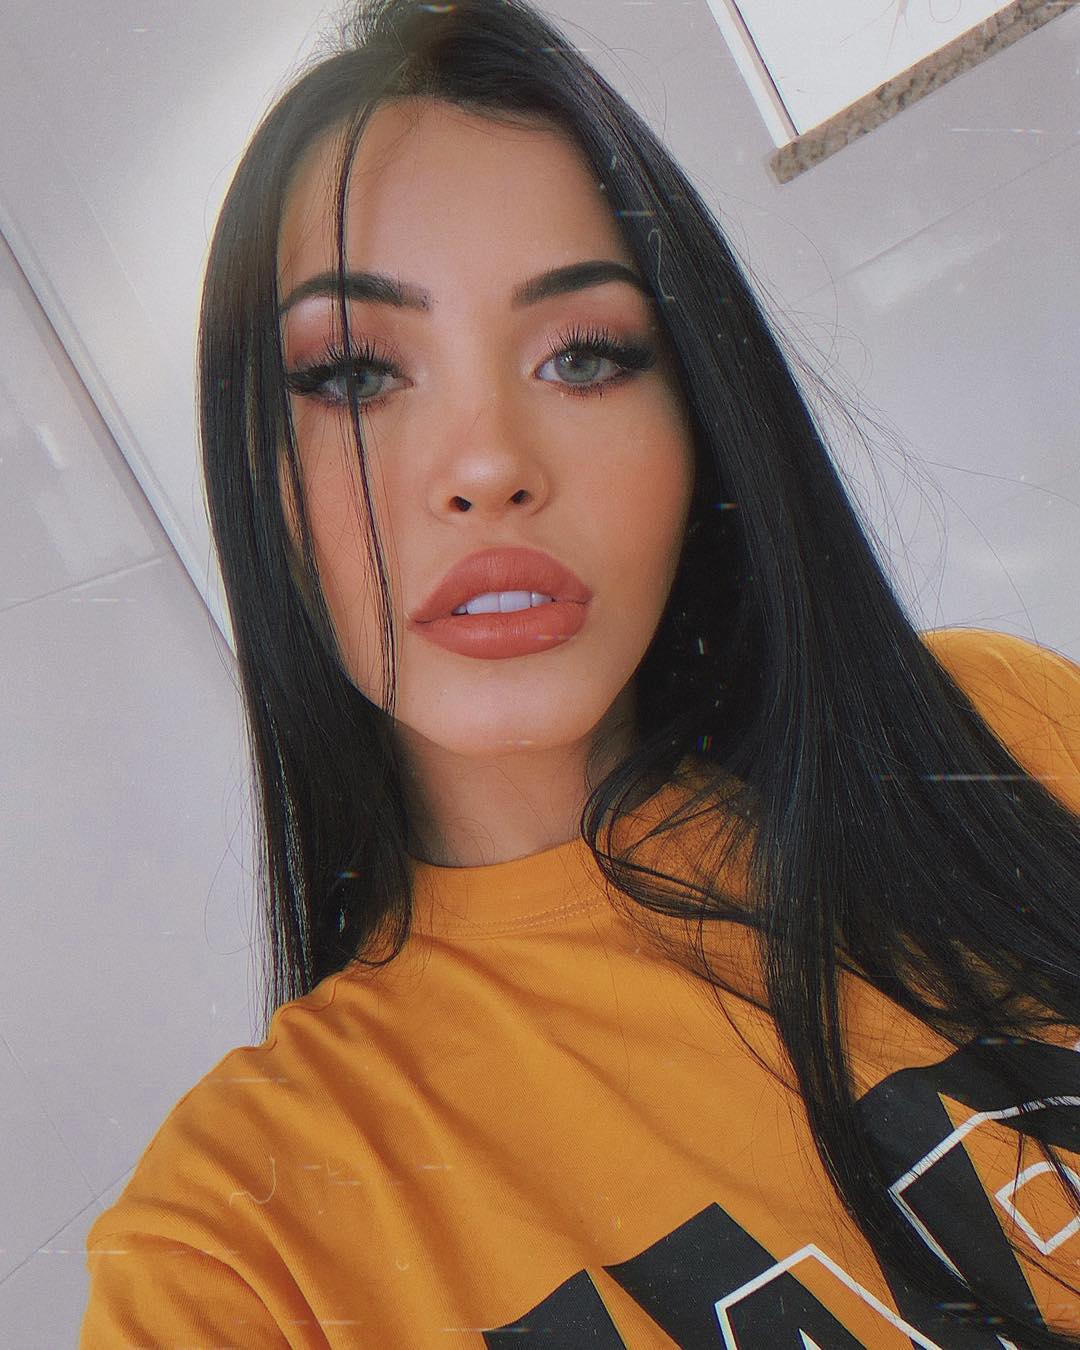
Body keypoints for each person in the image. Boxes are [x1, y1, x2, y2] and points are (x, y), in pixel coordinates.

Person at [80, 0, 1080, 1345]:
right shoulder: (238, 1254)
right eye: (358, 373)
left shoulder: (999, 730)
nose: (489, 463)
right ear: (260, 479)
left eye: (585, 356)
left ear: (702, 420)